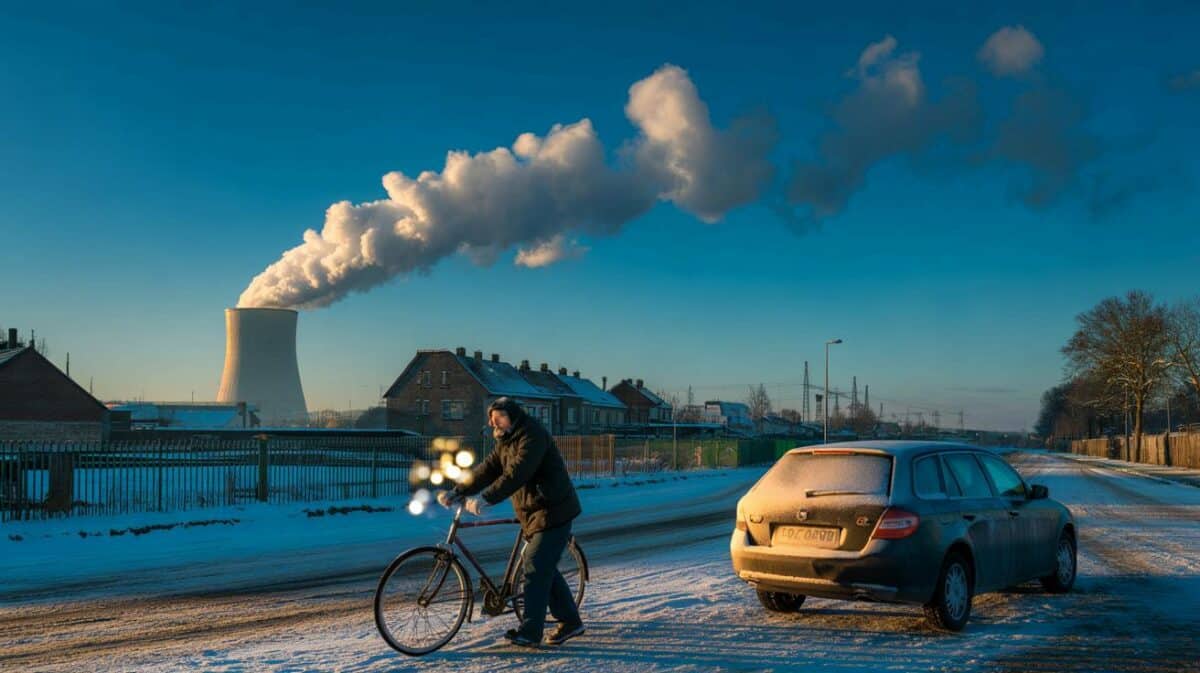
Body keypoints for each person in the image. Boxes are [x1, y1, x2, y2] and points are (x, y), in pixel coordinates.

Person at [437, 397, 585, 648]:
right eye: (492, 419)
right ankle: (571, 622)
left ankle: (530, 632)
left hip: (553, 510)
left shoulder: (532, 435)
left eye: (500, 418)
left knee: (536, 566)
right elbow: (487, 470)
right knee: (543, 567)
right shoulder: (506, 441)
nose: (495, 423)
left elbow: (518, 472)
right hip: (532, 512)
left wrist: (486, 498)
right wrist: (459, 491)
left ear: (513, 417)